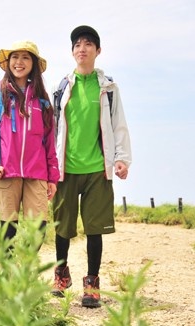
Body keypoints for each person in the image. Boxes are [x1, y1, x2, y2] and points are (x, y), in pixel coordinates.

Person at [51, 25, 132, 308]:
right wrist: (50, 166)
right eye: (77, 45)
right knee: (63, 227)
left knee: (94, 229)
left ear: (98, 51)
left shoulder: (108, 87)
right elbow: (53, 129)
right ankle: (61, 276)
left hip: (98, 168)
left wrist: (122, 159)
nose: (81, 48)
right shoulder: (62, 87)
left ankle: (92, 286)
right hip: (66, 168)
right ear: (72, 52)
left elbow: (118, 124)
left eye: (88, 44)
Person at [0, 40, 59, 248]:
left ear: (33, 64)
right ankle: (9, 278)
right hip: (5, 173)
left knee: (37, 230)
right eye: (15, 57)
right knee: (8, 231)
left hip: (37, 173)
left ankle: (27, 274)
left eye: (25, 57)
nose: (19, 62)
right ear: (8, 62)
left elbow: (49, 142)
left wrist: (53, 177)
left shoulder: (42, 100)